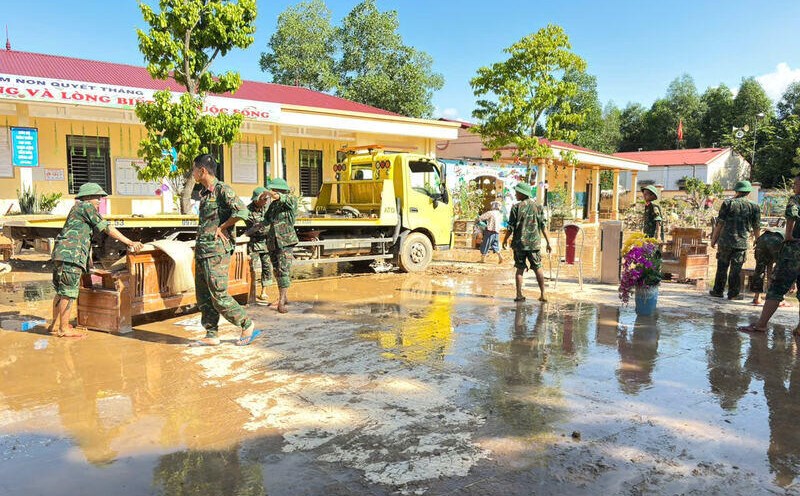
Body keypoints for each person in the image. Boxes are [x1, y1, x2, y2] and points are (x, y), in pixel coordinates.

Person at [48, 183, 143, 338]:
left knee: (61, 290)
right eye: (97, 197)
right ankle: (63, 328)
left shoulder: (78, 209)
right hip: (71, 256)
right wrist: (130, 242)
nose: (100, 200)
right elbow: (107, 228)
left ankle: (55, 325)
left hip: (62, 255)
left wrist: (89, 264)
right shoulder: (86, 207)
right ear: (88, 197)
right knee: (69, 292)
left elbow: (83, 237)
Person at [191, 154, 260, 346]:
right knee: (203, 294)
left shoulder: (222, 190)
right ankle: (211, 334)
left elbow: (242, 211)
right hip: (203, 250)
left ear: (202, 170)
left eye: (194, 169)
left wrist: (223, 227)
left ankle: (246, 324)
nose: (193, 173)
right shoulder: (205, 193)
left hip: (217, 251)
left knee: (219, 294)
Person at [740, 174, 800, 333]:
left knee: (777, 288)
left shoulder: (796, 199)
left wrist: (788, 235)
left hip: (794, 250)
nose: (794, 187)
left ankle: (761, 324)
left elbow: (792, 214)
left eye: (795, 184)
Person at [709, 180, 760, 300]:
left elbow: (719, 224)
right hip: (741, 244)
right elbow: (757, 227)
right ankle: (733, 294)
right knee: (736, 270)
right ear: (748, 192)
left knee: (722, 267)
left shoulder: (728, 203)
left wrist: (713, 239)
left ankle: (718, 291)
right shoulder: (754, 207)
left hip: (725, 241)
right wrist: (758, 242)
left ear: (736, 191)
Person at [502, 182, 552, 302]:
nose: (515, 194)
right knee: (538, 268)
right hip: (534, 245)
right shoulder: (538, 207)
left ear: (522, 193)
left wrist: (504, 240)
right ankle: (543, 294)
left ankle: (519, 295)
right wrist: (548, 242)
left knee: (519, 269)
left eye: (517, 192)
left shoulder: (516, 208)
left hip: (519, 245)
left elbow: (510, 227)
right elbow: (543, 226)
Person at [263, 177, 299, 313]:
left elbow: (282, 197)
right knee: (277, 270)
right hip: (273, 242)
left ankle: (282, 301)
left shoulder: (290, 200)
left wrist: (269, 193)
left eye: (274, 189)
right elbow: (266, 220)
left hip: (286, 241)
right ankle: (283, 297)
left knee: (283, 270)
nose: (272, 192)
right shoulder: (273, 205)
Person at [244, 186, 272, 304]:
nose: (266, 201)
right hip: (254, 243)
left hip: (266, 243)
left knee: (267, 267)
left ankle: (264, 290)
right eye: (264, 199)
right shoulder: (248, 211)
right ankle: (252, 291)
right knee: (252, 268)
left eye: (267, 199)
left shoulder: (267, 208)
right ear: (256, 199)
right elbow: (254, 227)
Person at [750, 228, 785, 305]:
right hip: (777, 240)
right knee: (780, 269)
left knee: (759, 269)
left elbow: (770, 265)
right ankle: (778, 299)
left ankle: (757, 297)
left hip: (763, 239)